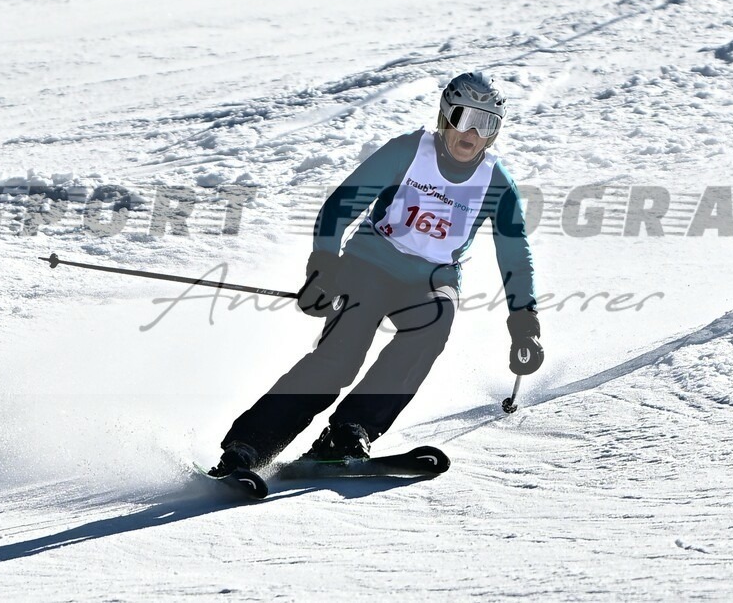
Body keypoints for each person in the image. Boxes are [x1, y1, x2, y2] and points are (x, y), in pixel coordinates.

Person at [209, 71, 544, 475]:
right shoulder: (407, 151)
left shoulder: (496, 182)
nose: (471, 132)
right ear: (444, 117)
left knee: (435, 320)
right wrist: (324, 267)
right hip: (370, 263)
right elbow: (340, 206)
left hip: (432, 279)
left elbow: (515, 252)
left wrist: (525, 322)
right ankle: (249, 446)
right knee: (340, 357)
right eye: (463, 117)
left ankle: (350, 431)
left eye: (486, 123)